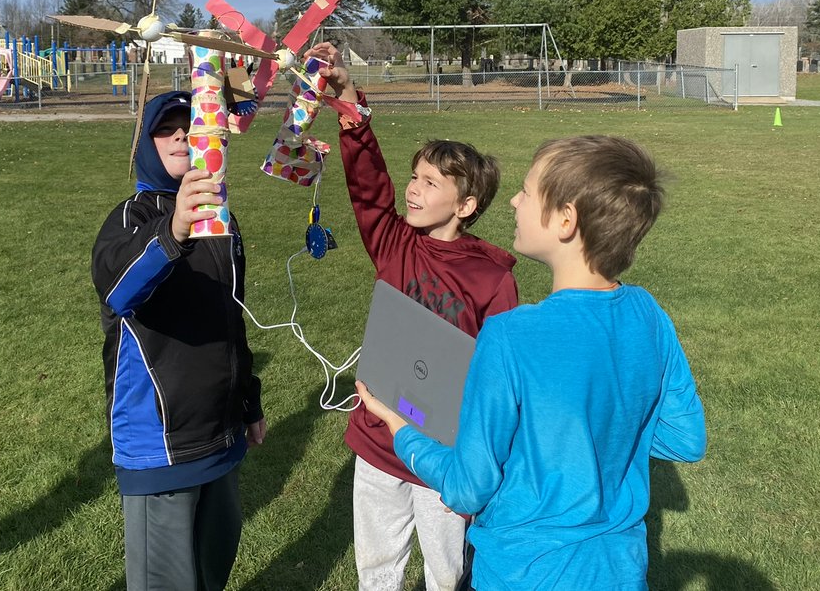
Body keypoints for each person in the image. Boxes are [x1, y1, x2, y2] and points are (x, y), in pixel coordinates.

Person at [357, 135, 708, 591]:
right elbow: (684, 436)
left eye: (526, 192)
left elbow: (467, 486)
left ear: (565, 220)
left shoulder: (509, 336)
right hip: (618, 570)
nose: (513, 203)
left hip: (521, 570)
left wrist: (397, 426)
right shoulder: (650, 316)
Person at [306, 41, 519, 591]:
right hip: (378, 441)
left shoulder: (492, 277)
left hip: (444, 457)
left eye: (430, 183)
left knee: (446, 571)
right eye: (415, 176)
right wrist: (349, 106)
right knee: (377, 567)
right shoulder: (395, 244)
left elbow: (501, 369)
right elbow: (370, 190)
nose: (413, 189)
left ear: (465, 205)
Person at [91, 90, 266, 591]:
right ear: (145, 142)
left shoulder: (224, 219)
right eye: (167, 128)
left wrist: (248, 403)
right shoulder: (131, 217)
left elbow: (232, 318)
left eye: (193, 126)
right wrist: (174, 229)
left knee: (212, 573)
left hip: (220, 432)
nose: (183, 136)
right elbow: (118, 290)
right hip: (162, 443)